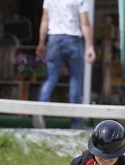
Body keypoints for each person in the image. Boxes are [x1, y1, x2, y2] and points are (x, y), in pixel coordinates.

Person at [32, 0, 96, 130]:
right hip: (73, 39)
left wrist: (41, 42)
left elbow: (45, 20)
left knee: (51, 78)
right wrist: (90, 46)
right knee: (75, 80)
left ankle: (38, 112)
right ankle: (76, 122)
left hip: (54, 39)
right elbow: (85, 23)